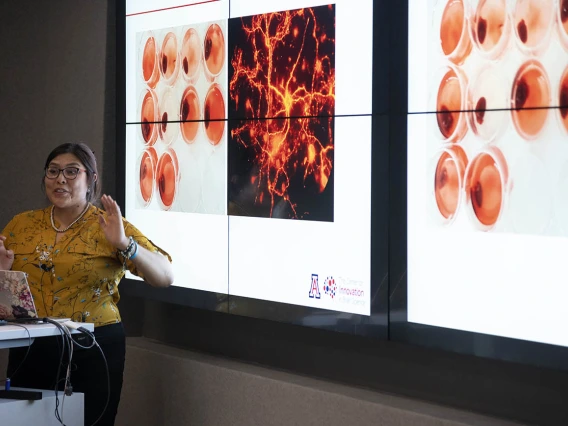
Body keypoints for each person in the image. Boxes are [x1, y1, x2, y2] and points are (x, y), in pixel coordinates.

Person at [0, 142, 173, 426]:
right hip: (32, 346)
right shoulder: (21, 225)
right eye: (53, 171)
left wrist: (124, 244)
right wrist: (1, 270)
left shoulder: (108, 225)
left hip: (93, 346)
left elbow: (165, 276)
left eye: (71, 171)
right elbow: (6, 294)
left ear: (91, 178)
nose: (60, 179)